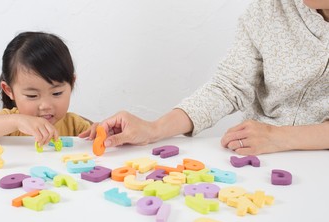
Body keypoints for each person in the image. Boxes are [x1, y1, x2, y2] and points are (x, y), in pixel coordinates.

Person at [79, 0, 329, 155]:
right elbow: (228, 85)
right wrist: (154, 129)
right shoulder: (269, 8)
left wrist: (280, 137)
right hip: (256, 158)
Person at [0, 31, 91, 145]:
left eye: (57, 93)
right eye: (32, 96)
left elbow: (98, 138)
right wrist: (16, 122)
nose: (45, 105)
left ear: (72, 84)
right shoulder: (10, 121)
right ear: (9, 91)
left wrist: (100, 132)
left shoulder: (74, 124)